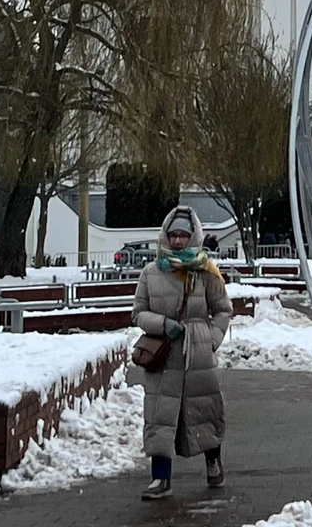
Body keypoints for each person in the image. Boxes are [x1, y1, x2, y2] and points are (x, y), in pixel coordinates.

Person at [131, 206, 233, 501]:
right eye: (173, 235)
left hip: (197, 354)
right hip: (163, 356)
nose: (177, 241)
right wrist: (163, 324)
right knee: (160, 417)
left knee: (205, 410)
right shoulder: (151, 272)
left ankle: (213, 461)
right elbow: (138, 313)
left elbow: (223, 310)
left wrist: (210, 339)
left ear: (193, 237)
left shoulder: (205, 271)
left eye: (183, 235)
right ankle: (160, 478)